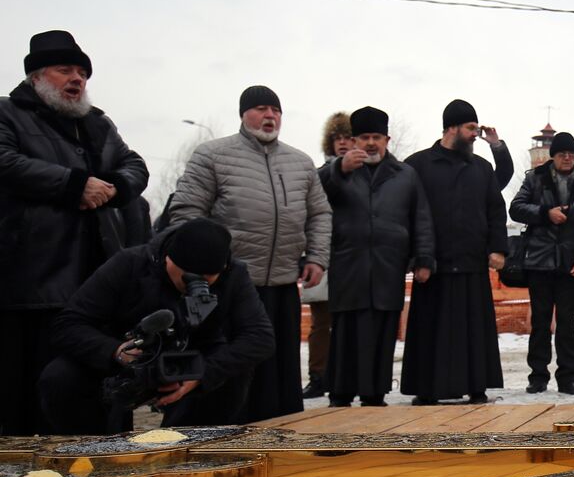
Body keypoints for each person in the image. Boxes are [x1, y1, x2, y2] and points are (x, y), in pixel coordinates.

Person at [0, 31, 149, 434]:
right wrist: (74, 185)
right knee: (33, 390)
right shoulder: (7, 113)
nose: (76, 79)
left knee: (103, 384)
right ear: (36, 76)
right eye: (64, 69)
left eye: (82, 72)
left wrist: (113, 187)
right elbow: (6, 161)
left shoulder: (98, 123)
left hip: (96, 282)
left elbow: (135, 166)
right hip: (33, 283)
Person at [166, 86, 330, 421]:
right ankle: (222, 435)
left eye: (275, 110)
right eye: (260, 108)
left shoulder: (301, 162)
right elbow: (186, 212)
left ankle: (280, 432)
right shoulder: (212, 155)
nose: (269, 116)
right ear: (244, 114)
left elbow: (320, 214)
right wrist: (203, 268)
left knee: (278, 372)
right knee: (233, 369)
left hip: (283, 283)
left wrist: (316, 257)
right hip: (230, 285)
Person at [39, 218, 274, 433]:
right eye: (189, 276)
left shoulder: (234, 274)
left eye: (209, 278)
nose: (198, 283)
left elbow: (260, 337)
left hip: (191, 365)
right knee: (61, 377)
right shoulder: (129, 264)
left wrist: (202, 374)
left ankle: (187, 447)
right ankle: (93, 448)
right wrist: (115, 351)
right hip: (125, 361)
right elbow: (68, 323)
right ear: (169, 258)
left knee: (234, 373)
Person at [320, 106, 435, 406]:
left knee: (383, 332)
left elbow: (420, 218)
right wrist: (339, 169)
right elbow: (314, 191)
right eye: (364, 137)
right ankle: (340, 393)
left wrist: (423, 259)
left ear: (387, 139)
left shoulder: (405, 175)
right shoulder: (338, 170)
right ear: (354, 140)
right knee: (346, 333)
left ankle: (375, 394)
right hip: (349, 265)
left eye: (377, 137)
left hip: (388, 266)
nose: (371, 143)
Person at [401, 100, 509, 405]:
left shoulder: (481, 168)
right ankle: (427, 390)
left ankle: (476, 386)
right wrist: (415, 257)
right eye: (471, 128)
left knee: (472, 332)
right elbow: (406, 213)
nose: (475, 134)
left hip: (472, 263)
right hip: (432, 266)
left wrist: (498, 248)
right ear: (452, 127)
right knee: (431, 331)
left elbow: (495, 211)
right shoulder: (418, 165)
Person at [509, 132, 574, 394]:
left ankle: (568, 378)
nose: (567, 158)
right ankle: (537, 377)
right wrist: (544, 213)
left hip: (570, 264)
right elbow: (515, 208)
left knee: (566, 323)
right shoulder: (535, 178)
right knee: (540, 322)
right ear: (553, 155)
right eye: (563, 154)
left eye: (572, 155)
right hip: (539, 261)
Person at [301, 112, 353, 399]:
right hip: (323, 256)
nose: (343, 143)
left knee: (349, 323)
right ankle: (318, 376)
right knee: (321, 323)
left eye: (347, 137)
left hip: (353, 258)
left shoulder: (364, 176)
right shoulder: (318, 174)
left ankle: (347, 376)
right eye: (338, 139)